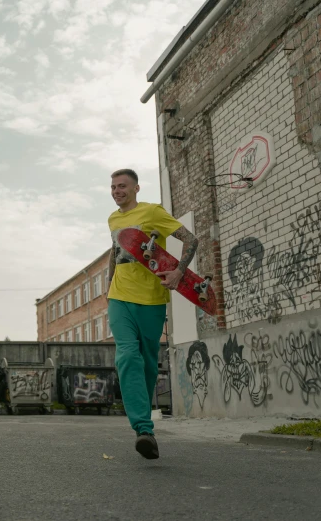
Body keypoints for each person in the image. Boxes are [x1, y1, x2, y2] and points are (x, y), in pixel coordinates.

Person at [107, 168, 198, 460]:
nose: (116, 191)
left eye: (122, 186)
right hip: (119, 297)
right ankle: (143, 428)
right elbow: (113, 251)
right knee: (127, 356)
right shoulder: (113, 219)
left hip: (151, 299)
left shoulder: (152, 212)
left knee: (146, 364)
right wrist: (108, 289)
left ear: (136, 189)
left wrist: (178, 273)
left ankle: (147, 433)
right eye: (113, 187)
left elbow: (190, 240)